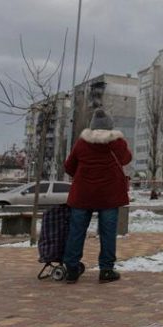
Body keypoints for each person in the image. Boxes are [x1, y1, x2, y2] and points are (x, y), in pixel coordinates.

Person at [62, 108, 132, 284]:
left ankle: (71, 269)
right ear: (110, 126)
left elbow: (69, 166)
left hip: (82, 195)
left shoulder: (81, 143)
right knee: (108, 233)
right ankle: (106, 270)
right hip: (109, 196)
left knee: (76, 232)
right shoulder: (117, 143)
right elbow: (126, 159)